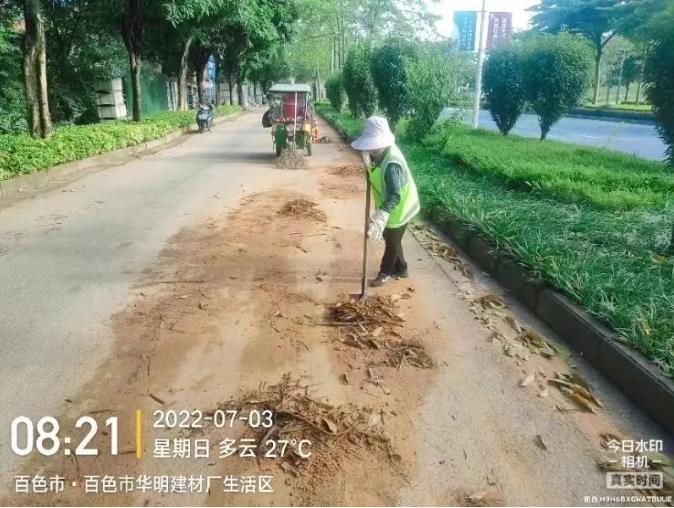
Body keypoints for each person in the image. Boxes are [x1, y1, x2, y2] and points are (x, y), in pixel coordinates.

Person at [351, 116, 421, 287]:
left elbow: (395, 195)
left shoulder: (392, 165)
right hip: (392, 207)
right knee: (392, 239)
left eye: (372, 145)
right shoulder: (381, 153)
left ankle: (385, 272)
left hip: (400, 207)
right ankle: (402, 268)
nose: (370, 148)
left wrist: (380, 215)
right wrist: (370, 164)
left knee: (391, 241)